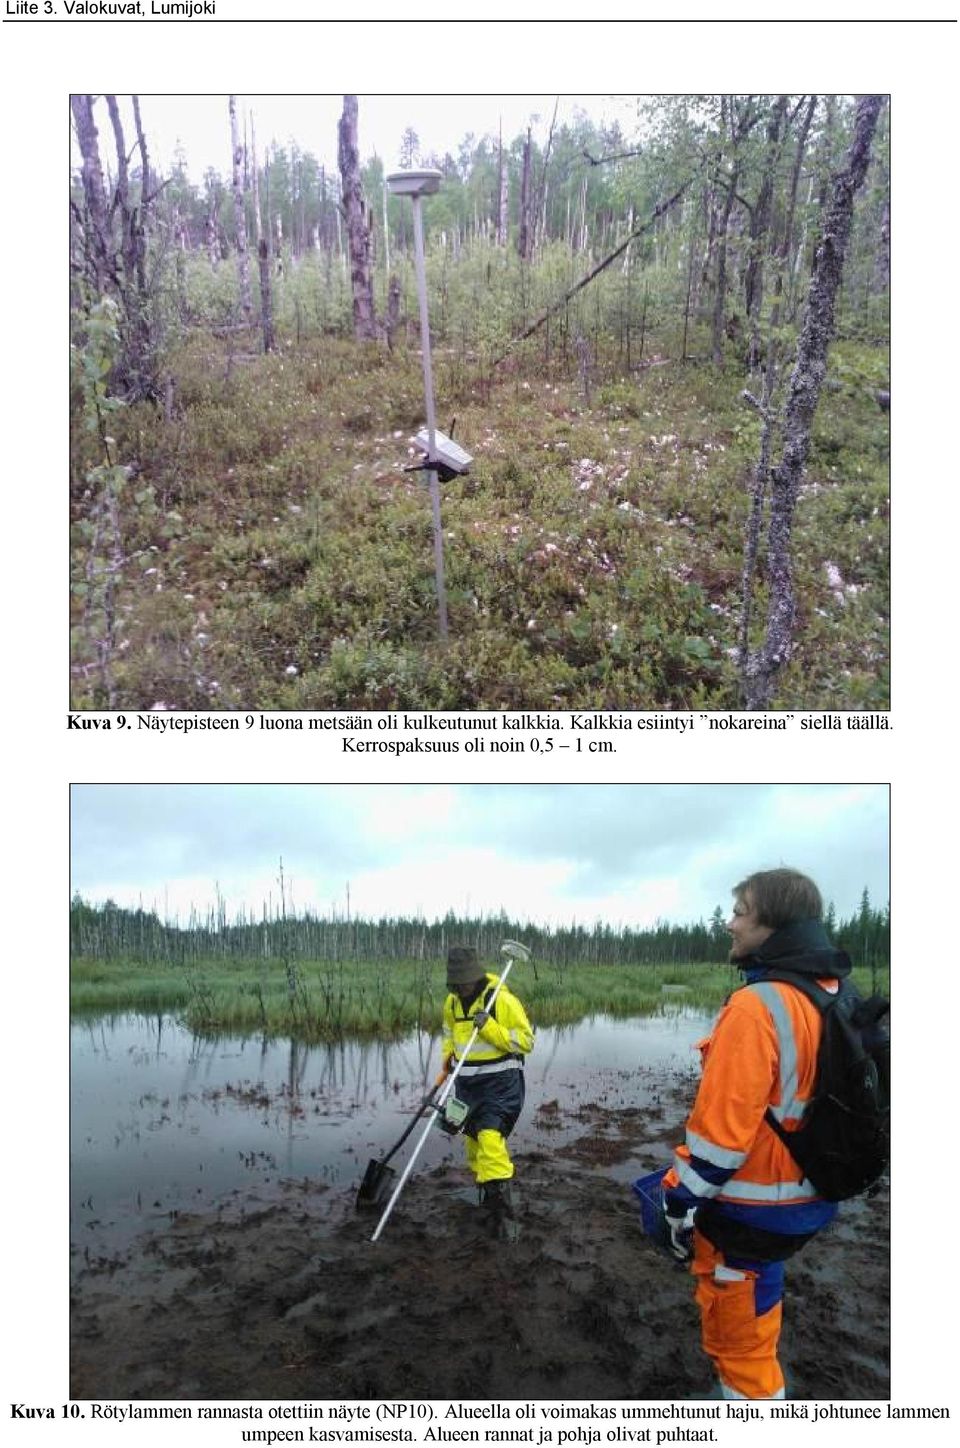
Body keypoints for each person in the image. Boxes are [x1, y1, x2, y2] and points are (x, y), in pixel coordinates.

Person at [662, 868, 853, 1401]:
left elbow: (718, 1144)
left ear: (771, 923)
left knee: (741, 1352)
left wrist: (677, 1205)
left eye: (740, 912)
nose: (729, 924)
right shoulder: (829, 990)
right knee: (759, 1293)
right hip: (809, 1198)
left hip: (750, 1211)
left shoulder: (755, 1006)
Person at [440, 945, 535, 1234]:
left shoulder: (502, 1001)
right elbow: (449, 1034)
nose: (461, 988)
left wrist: (491, 1027)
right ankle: (486, 1194)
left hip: (500, 1084)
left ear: (476, 976)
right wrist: (447, 1060)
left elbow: (526, 1042)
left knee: (490, 1139)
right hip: (467, 1084)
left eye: (465, 982)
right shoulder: (452, 1003)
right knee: (473, 1142)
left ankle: (502, 1210)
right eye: (456, 983)